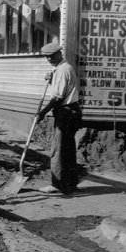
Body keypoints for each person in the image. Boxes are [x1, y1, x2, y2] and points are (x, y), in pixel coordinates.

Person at [37, 41, 82, 195]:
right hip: (71, 112)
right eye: (46, 57)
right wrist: (51, 77)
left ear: (59, 54)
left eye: (51, 56)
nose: (49, 59)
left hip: (66, 112)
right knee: (67, 149)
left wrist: (43, 112)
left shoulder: (63, 70)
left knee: (59, 149)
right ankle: (70, 183)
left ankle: (58, 185)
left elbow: (57, 97)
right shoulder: (60, 69)